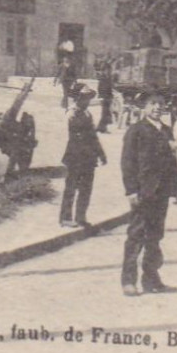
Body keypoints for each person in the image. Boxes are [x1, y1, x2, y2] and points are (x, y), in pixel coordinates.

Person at [120, 94, 177, 296]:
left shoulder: (166, 131)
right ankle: (128, 281)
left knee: (155, 236)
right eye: (153, 104)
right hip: (143, 191)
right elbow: (127, 163)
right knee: (136, 235)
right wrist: (131, 190)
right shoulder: (136, 130)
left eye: (161, 104)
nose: (157, 107)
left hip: (161, 192)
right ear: (145, 107)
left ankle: (151, 279)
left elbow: (173, 163)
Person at [61, 84, 108, 228]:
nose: (87, 101)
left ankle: (81, 217)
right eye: (84, 98)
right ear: (77, 98)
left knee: (86, 189)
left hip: (88, 158)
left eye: (88, 98)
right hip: (75, 157)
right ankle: (65, 217)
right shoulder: (72, 114)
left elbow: (93, 136)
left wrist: (101, 154)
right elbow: (76, 137)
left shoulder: (87, 114)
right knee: (71, 188)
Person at [95, 57, 116, 134]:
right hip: (104, 97)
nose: (109, 71)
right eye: (107, 70)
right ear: (104, 70)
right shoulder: (103, 78)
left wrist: (111, 96)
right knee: (105, 113)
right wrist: (101, 96)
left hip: (108, 97)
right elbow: (100, 88)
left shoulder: (108, 78)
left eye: (109, 70)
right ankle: (101, 128)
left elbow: (110, 87)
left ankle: (101, 128)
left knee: (106, 113)